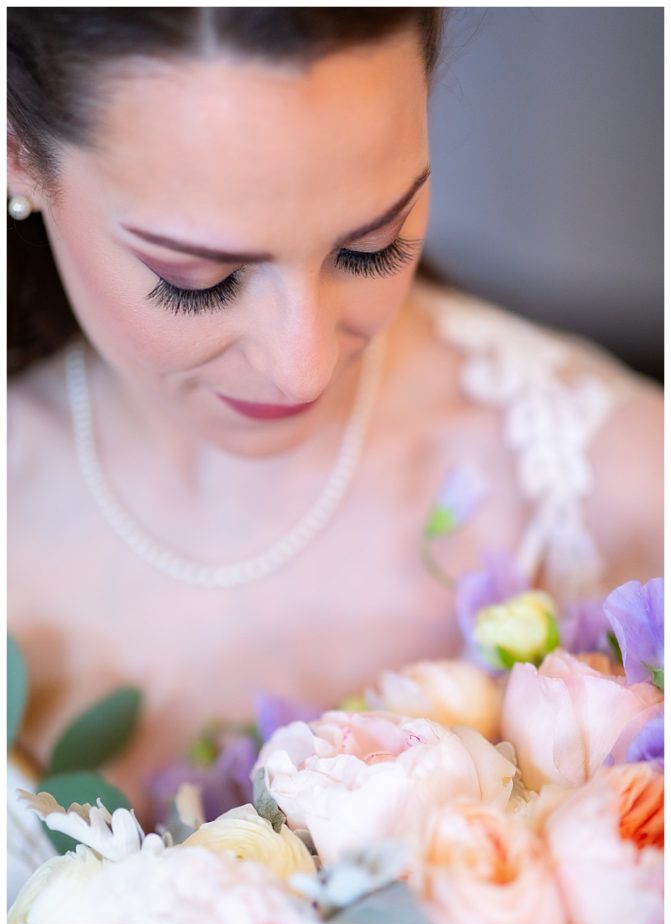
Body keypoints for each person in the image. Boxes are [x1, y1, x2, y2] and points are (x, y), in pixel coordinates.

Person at [7, 8, 663, 827]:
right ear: (18, 150)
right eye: (197, 279)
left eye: (371, 246)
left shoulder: (625, 486)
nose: (302, 366)